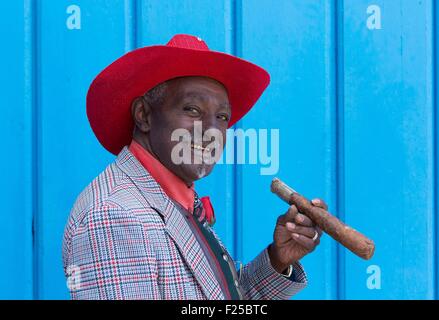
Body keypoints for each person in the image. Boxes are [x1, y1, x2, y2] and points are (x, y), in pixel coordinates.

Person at [62, 34, 327, 300]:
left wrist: (278, 258)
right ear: (143, 115)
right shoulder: (115, 215)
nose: (211, 131)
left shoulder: (171, 200)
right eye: (192, 110)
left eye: (222, 117)